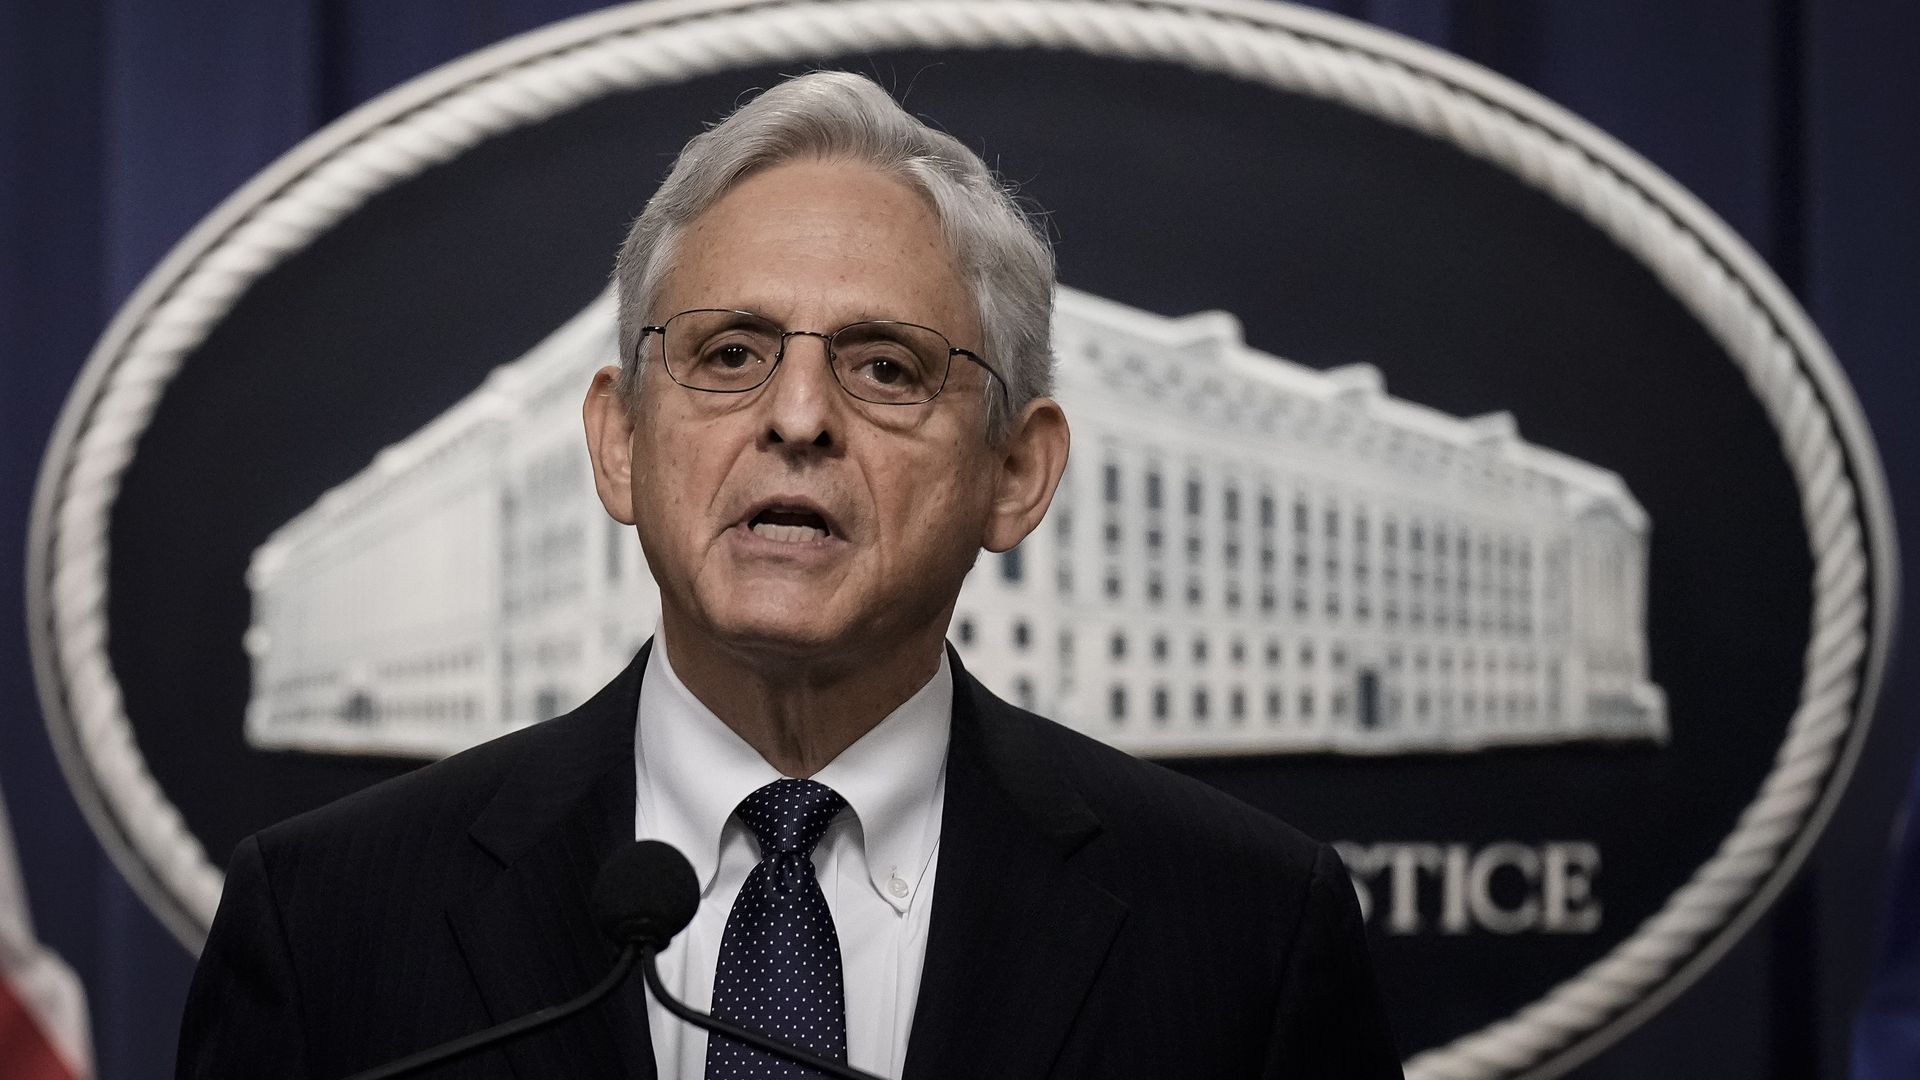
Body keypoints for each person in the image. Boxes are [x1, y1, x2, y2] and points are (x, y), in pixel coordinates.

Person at [178, 71, 1402, 1080]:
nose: (799, 417)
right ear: (618, 443)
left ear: (1015, 475)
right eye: (729, 353)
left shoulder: (1250, 929)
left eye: (885, 368)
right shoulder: (328, 921)